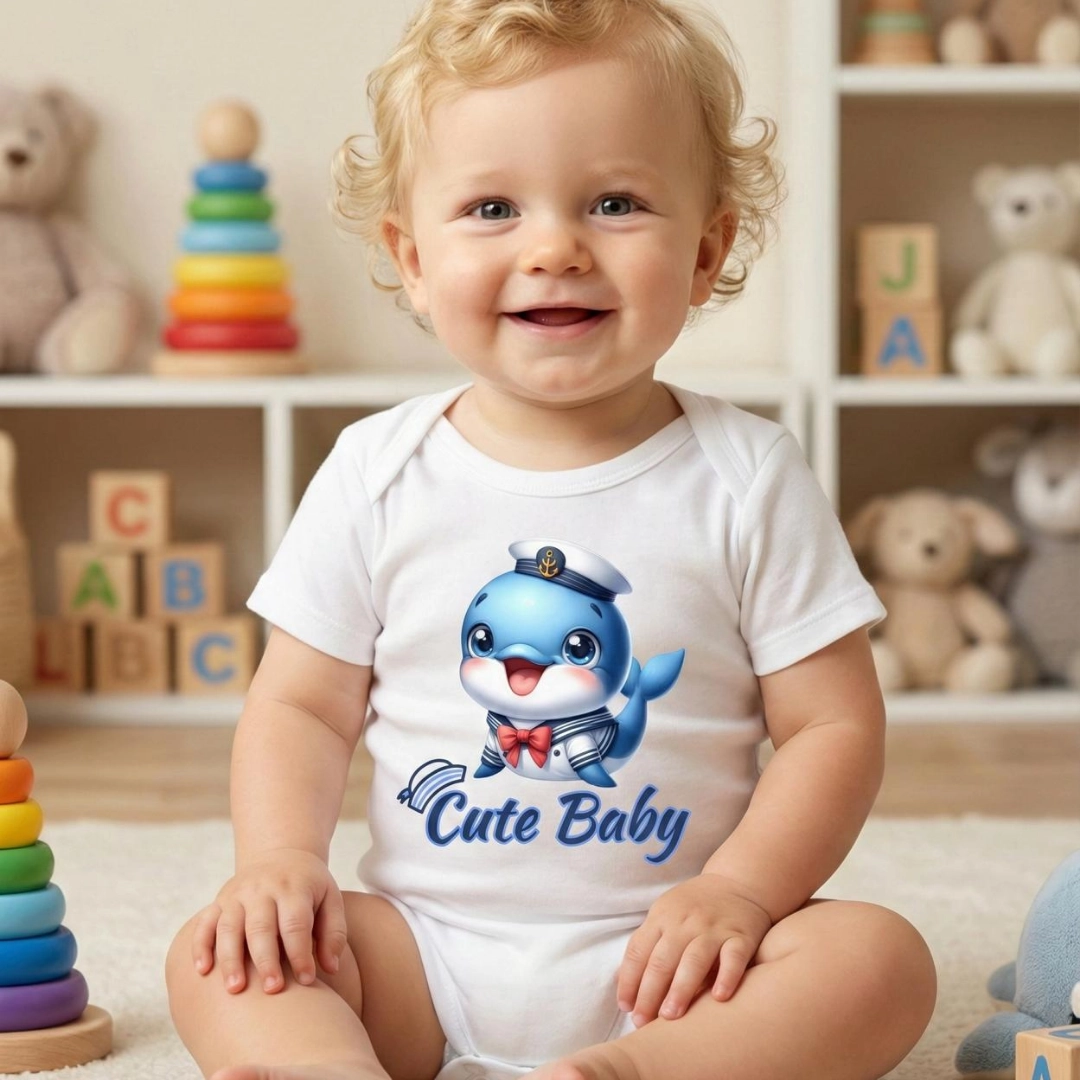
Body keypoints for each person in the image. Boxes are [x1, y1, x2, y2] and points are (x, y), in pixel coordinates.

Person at [165, 1, 937, 1078]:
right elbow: (301, 705)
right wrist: (279, 862)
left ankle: (632, 1071)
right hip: (423, 957)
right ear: (412, 257)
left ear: (706, 249)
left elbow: (832, 726)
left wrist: (742, 891)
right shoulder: (377, 470)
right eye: (492, 208)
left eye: (615, 203)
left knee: (879, 961)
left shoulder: (748, 476)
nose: (554, 248)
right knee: (219, 955)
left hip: (680, 972)